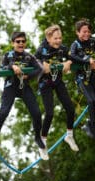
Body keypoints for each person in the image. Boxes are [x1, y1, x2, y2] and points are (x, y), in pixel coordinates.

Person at [0, 32, 46, 153]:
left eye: (23, 41)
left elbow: (40, 69)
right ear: (13, 43)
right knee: (3, 112)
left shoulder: (29, 57)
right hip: (11, 87)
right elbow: (2, 68)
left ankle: (37, 136)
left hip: (24, 87)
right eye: (18, 41)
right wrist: (12, 67)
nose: (21, 43)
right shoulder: (8, 55)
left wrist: (27, 76)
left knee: (37, 113)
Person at [35, 25, 79, 160]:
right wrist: (42, 65)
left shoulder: (63, 49)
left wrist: (69, 62)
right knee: (49, 113)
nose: (58, 41)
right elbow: (34, 60)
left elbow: (74, 57)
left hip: (58, 81)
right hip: (45, 83)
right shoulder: (42, 49)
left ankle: (69, 136)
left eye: (60, 38)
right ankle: (42, 143)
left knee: (70, 109)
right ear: (48, 38)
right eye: (55, 39)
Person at [70, 18, 95, 140]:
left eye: (88, 31)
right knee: (91, 101)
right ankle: (93, 127)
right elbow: (72, 56)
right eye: (84, 31)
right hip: (82, 77)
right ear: (77, 32)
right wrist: (87, 60)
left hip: (93, 76)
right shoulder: (75, 45)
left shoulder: (92, 42)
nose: (87, 34)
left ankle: (89, 123)